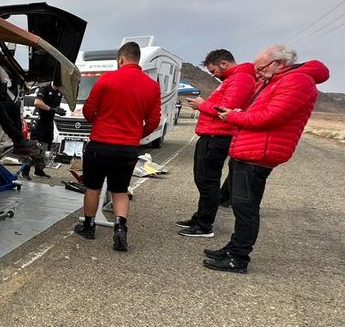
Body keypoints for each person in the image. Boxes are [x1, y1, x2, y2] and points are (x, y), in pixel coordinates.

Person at [203, 45, 328, 273]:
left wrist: (234, 116)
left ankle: (238, 257)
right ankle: (234, 248)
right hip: (251, 151)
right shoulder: (278, 80)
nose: (257, 73)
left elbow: (270, 117)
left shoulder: (296, 81)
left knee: (245, 207)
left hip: (258, 154)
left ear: (278, 63)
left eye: (260, 68)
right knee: (242, 204)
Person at [74, 41, 160, 251]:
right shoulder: (152, 86)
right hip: (127, 148)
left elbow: (88, 112)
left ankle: (89, 226)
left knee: (93, 187)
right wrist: (137, 135)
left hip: (100, 144)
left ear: (121, 59)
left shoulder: (107, 79)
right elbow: (154, 121)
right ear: (137, 59)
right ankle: (120, 227)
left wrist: (97, 119)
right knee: (120, 190)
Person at [176, 50, 256, 237]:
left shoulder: (241, 79)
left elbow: (226, 110)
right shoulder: (234, 79)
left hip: (217, 136)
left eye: (213, 70)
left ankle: (204, 225)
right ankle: (200, 217)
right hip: (212, 135)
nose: (212, 75)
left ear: (223, 63)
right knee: (203, 179)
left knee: (207, 181)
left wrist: (202, 105)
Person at [20, 80, 66, 179]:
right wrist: (52, 109)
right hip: (39, 121)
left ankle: (39, 170)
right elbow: (37, 102)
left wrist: (59, 110)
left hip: (48, 122)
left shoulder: (59, 92)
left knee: (45, 147)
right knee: (35, 147)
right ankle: (25, 170)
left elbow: (55, 105)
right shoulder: (44, 88)